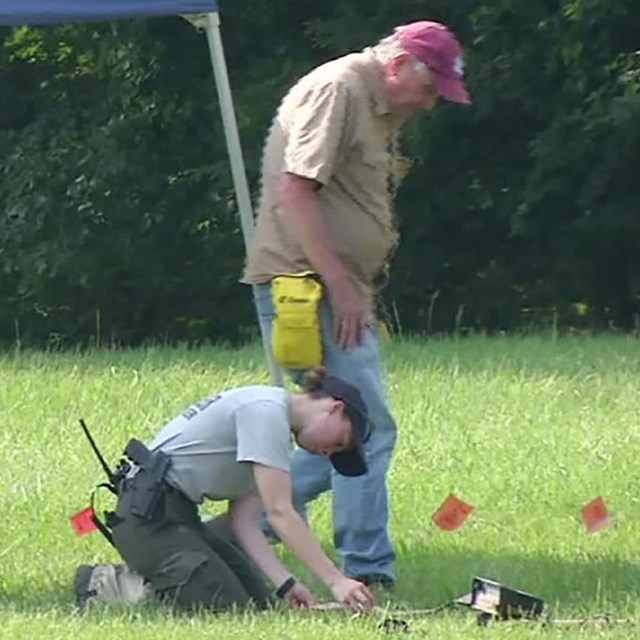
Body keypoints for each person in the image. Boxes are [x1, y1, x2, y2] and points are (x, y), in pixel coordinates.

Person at [243, 20, 472, 589]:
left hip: (332, 290)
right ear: (399, 65)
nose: (429, 104)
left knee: (337, 432)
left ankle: (241, 528)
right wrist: (342, 286)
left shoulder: (376, 104)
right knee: (362, 428)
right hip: (310, 290)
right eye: (429, 89)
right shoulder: (338, 90)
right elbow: (297, 191)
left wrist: (355, 288)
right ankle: (367, 570)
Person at [74, 368, 375, 612]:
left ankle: (159, 572)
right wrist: (336, 580)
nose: (329, 453)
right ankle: (107, 583)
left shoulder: (275, 431)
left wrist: (287, 584)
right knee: (227, 607)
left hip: (178, 519)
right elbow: (280, 512)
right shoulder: (266, 412)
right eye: (339, 442)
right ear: (335, 409)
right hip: (150, 517)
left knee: (260, 604)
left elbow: (244, 522)